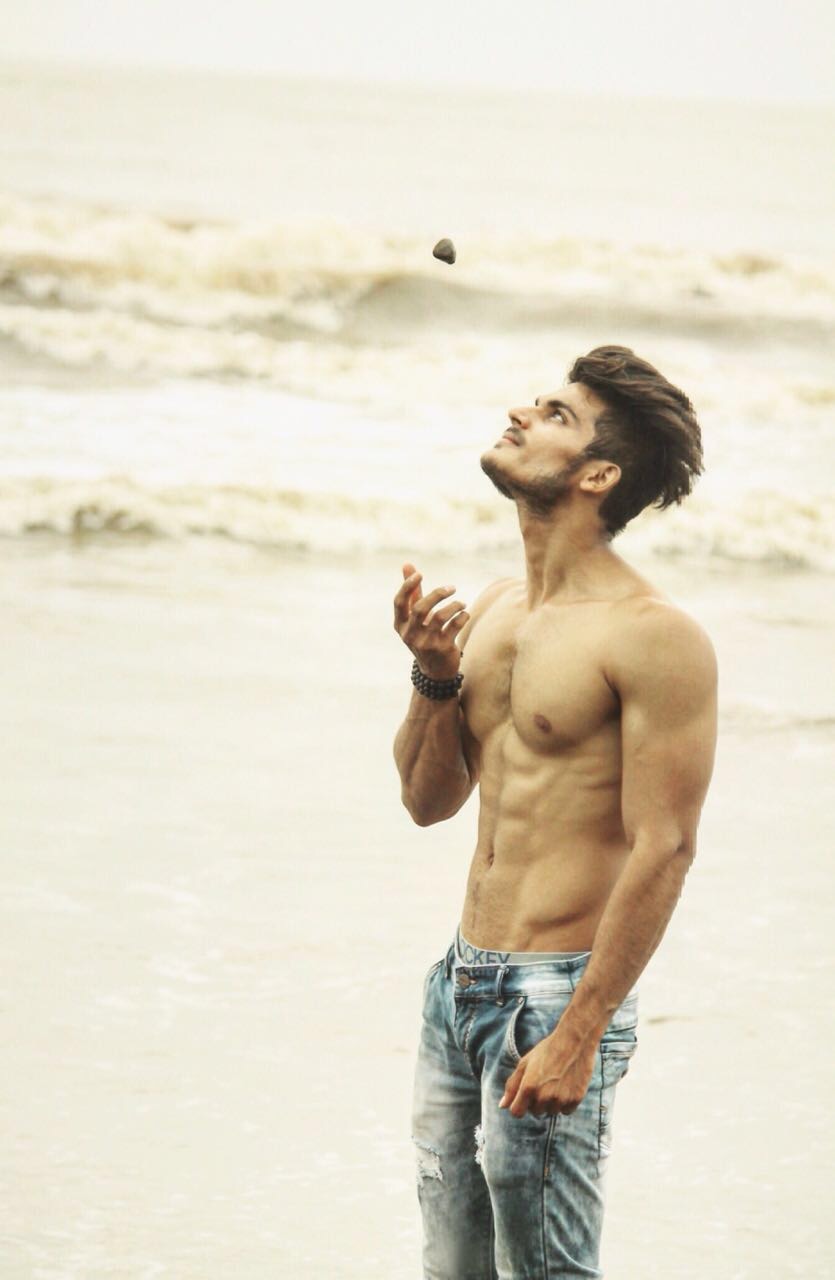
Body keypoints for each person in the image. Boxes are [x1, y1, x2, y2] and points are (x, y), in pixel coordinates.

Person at [392, 345, 718, 1279]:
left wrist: (580, 1033)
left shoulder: (654, 637)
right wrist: (433, 677)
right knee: (450, 1264)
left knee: (547, 1270)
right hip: (458, 983)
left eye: (554, 415)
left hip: (554, 996)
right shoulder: (494, 608)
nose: (520, 415)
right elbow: (426, 802)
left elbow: (665, 847)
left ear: (596, 475)